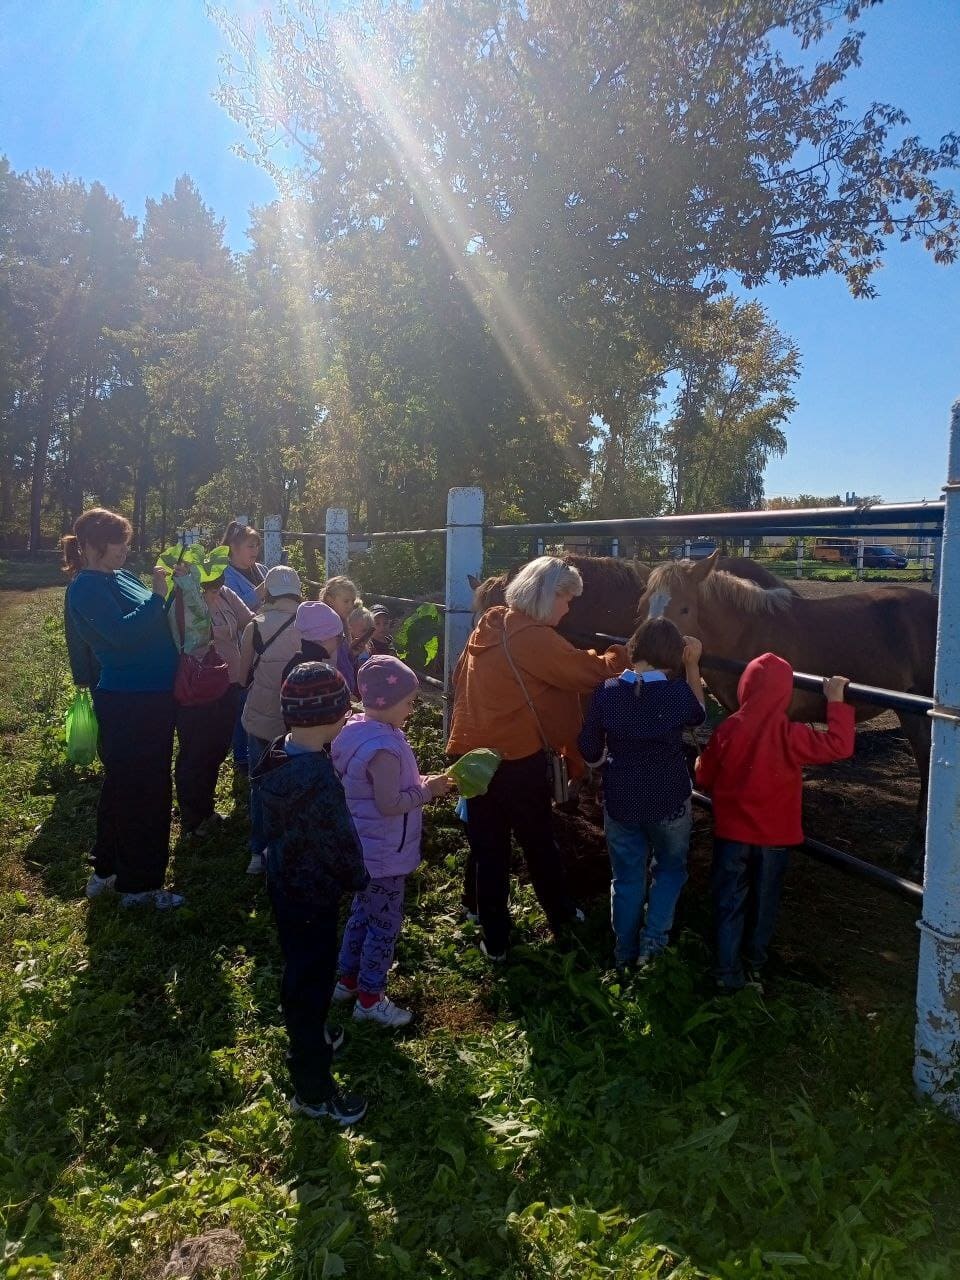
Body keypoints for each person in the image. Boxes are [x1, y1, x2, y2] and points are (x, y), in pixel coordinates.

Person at [446, 555, 627, 960]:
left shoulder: (489, 623)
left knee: (489, 848)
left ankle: (494, 939)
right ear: (548, 597)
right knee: (538, 843)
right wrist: (619, 655)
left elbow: (460, 677)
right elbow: (584, 672)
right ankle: (562, 919)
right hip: (514, 759)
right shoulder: (534, 637)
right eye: (566, 600)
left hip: (473, 756)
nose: (569, 609)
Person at [695, 653, 855, 992]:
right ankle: (754, 968)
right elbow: (840, 745)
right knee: (763, 904)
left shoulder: (728, 728)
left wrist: (699, 764)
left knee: (729, 901)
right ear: (786, 692)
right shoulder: (791, 734)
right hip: (774, 840)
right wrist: (836, 702)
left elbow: (705, 776)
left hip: (732, 837)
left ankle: (725, 972)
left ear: (745, 687)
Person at [254, 661, 370, 1124]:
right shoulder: (320, 780)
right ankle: (314, 1091)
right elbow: (339, 841)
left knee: (300, 967)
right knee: (310, 979)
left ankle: (316, 1031)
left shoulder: (275, 756)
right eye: (344, 712)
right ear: (330, 717)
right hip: (314, 892)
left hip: (284, 882)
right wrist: (357, 877)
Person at [62, 507, 183, 909]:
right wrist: (159, 598)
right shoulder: (85, 589)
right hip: (131, 700)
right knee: (145, 790)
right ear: (95, 546)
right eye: (119, 542)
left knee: (123, 786)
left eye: (127, 542)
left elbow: (155, 616)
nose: (125, 550)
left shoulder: (122, 577)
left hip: (151, 696)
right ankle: (140, 886)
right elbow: (122, 635)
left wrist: (173, 590)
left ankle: (107, 869)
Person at [578, 618, 706, 975]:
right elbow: (699, 715)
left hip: (621, 797)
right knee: (669, 869)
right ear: (673, 655)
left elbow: (587, 747)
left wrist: (605, 760)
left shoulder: (607, 691)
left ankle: (623, 953)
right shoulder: (678, 692)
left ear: (634, 649)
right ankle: (653, 944)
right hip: (669, 796)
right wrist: (693, 664)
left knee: (627, 877)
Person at [331, 656, 452, 1026]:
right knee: (384, 926)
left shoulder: (358, 732)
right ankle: (370, 998)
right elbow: (389, 803)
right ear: (386, 703)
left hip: (363, 848)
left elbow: (383, 791)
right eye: (408, 702)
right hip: (384, 854)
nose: (413, 709)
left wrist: (421, 782)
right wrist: (427, 792)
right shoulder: (383, 749)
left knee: (361, 915)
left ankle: (346, 980)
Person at [171, 567, 253, 838]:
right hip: (199, 687)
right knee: (196, 751)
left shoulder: (225, 594)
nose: (216, 591)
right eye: (211, 587)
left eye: (218, 585)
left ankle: (206, 810)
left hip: (229, 683)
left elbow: (249, 621)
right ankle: (192, 819)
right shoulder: (184, 599)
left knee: (217, 749)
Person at [239, 565, 304, 874]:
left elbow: (240, 677)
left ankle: (258, 851)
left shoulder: (255, 626)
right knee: (299, 784)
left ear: (267, 591)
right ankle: (293, 847)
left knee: (259, 783)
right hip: (300, 719)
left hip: (261, 718)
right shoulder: (311, 624)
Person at [222, 522, 267, 774]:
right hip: (240, 647)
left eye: (257, 545)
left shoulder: (260, 569)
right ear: (233, 547)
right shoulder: (225, 575)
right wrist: (267, 588)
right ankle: (241, 755)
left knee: (259, 696)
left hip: (266, 643)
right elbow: (238, 607)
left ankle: (260, 747)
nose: (255, 551)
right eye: (250, 546)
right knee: (241, 700)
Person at [281, 601, 345, 679]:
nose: (339, 644)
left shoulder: (294, 664)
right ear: (324, 637)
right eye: (339, 638)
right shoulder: (320, 673)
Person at [322, 575, 360, 692]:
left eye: (352, 601)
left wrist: (352, 654)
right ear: (330, 600)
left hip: (343, 689)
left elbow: (344, 661)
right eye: (346, 601)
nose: (350, 606)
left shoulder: (343, 623)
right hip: (333, 690)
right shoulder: (325, 625)